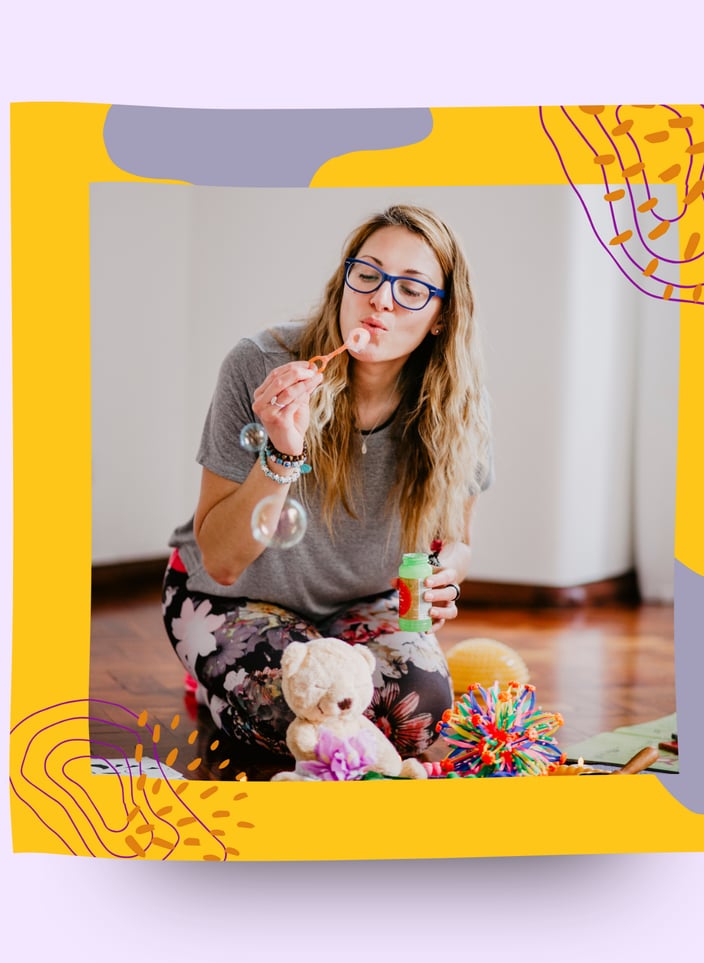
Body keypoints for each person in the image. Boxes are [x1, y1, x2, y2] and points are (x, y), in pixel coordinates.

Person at [161, 204, 493, 762]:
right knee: (295, 715)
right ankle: (215, 693)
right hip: (233, 598)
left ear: (441, 316)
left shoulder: (456, 401)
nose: (380, 299)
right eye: (367, 274)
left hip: (366, 602)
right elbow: (219, 560)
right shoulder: (260, 365)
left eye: (412, 288)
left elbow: (455, 541)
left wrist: (444, 577)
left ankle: (267, 686)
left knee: (420, 712)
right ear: (344, 279)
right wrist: (282, 452)